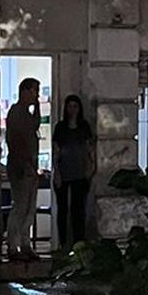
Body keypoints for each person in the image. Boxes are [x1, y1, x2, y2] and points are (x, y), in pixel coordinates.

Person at [4, 76, 41, 261]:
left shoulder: (26, 113)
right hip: (21, 166)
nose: (36, 94)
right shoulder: (17, 112)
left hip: (30, 166)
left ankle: (25, 244)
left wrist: (38, 107)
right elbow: (16, 140)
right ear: (25, 91)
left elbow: (35, 125)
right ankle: (13, 245)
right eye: (34, 91)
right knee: (20, 206)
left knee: (29, 208)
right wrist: (25, 163)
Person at [52, 95, 94, 247]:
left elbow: (90, 150)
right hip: (63, 173)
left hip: (80, 173)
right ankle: (63, 243)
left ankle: (79, 243)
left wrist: (90, 168)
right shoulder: (60, 128)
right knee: (62, 210)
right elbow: (56, 152)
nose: (72, 109)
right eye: (70, 106)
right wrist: (56, 172)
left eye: (75, 106)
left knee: (79, 210)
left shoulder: (84, 127)